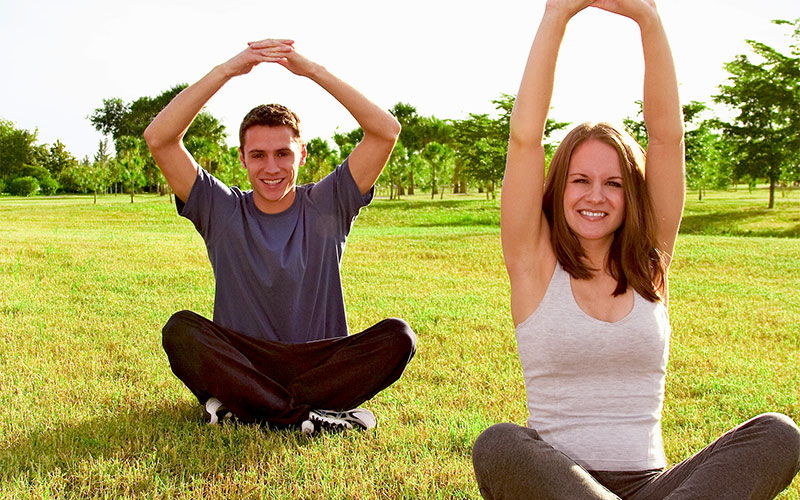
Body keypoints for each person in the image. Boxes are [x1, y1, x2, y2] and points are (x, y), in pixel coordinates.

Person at [471, 1, 800, 498]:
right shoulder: (533, 263)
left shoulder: (651, 261)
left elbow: (667, 140)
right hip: (563, 484)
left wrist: (648, 17)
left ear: (633, 195)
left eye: (614, 183)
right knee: (498, 444)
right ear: (557, 189)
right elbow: (524, 139)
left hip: (655, 487)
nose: (596, 196)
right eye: (580, 180)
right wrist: (557, 13)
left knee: (779, 434)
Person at [143, 38, 416, 434]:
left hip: (319, 361)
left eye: (283, 153)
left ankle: (251, 406)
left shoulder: (329, 202)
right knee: (180, 330)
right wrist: (226, 71)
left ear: (301, 154)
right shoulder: (221, 209)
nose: (272, 167)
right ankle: (303, 415)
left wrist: (312, 71)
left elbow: (385, 131)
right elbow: (160, 138)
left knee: (398, 337)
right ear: (242, 158)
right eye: (258, 155)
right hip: (245, 359)